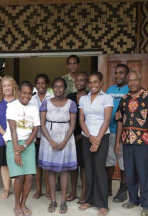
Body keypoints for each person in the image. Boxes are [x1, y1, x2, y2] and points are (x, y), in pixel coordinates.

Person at [115, 71, 148, 216]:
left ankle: (147, 205)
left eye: (135, 80)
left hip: (143, 142)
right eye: (130, 80)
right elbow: (120, 120)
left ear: (140, 80)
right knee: (130, 172)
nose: (132, 83)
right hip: (127, 141)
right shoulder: (124, 99)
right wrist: (117, 141)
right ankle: (134, 199)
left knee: (145, 173)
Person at [38, 77, 77, 214]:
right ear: (52, 88)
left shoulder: (71, 104)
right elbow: (42, 125)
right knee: (51, 170)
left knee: (64, 170)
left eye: (61, 86)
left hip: (66, 138)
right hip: (49, 139)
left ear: (65, 89)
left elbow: (73, 125)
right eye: (56, 86)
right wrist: (51, 141)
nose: (58, 89)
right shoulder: (46, 103)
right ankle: (53, 200)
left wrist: (65, 141)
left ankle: (63, 201)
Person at [3, 81, 40, 216]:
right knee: (19, 177)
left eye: (29, 93)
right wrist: (16, 150)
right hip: (14, 142)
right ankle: (17, 204)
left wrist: (25, 146)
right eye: (24, 93)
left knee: (29, 176)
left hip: (28, 144)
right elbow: (13, 130)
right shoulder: (12, 106)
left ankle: (24, 203)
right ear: (19, 92)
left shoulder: (34, 108)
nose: (27, 96)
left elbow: (35, 130)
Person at [78, 71, 113, 216]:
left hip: (102, 137)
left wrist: (97, 139)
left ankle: (103, 204)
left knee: (99, 169)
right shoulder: (83, 99)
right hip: (87, 137)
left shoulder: (107, 98)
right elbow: (81, 120)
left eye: (95, 82)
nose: (93, 85)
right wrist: (90, 137)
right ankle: (89, 199)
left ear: (101, 83)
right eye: (90, 82)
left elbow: (107, 120)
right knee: (89, 169)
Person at [0, 76, 19, 199]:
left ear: (13, 86)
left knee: (15, 163)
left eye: (9, 85)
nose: (7, 88)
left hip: (16, 138)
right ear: (1, 88)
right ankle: (6, 189)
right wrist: (5, 135)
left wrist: (12, 137)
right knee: (4, 164)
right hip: (1, 137)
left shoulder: (19, 102)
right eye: (4, 85)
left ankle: (16, 189)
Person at [106, 64, 130, 202]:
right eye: (116, 73)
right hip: (109, 131)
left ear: (126, 75)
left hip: (125, 133)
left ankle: (123, 189)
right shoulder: (110, 90)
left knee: (123, 162)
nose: (118, 76)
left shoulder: (130, 89)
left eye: (121, 73)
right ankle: (108, 186)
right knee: (108, 161)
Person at [29, 74, 53, 200]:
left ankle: (48, 190)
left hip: (48, 135)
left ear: (47, 84)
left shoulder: (52, 98)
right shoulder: (32, 99)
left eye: (43, 83)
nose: (40, 85)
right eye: (38, 83)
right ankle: (39, 189)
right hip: (36, 135)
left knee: (47, 164)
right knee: (38, 164)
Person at [66, 71, 88, 204]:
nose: (79, 82)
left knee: (83, 166)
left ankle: (84, 193)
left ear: (86, 82)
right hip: (70, 136)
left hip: (85, 136)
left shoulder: (90, 96)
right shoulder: (70, 96)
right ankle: (73, 191)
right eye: (77, 80)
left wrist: (82, 135)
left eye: (82, 80)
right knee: (73, 167)